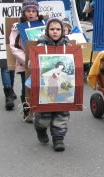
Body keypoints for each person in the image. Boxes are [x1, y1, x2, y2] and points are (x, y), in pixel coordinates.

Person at [33, 18, 71, 152]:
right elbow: (30, 65)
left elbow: (76, 66)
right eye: (52, 29)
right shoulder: (39, 47)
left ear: (63, 31)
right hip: (45, 88)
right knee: (44, 117)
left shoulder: (69, 47)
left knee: (62, 115)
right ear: (47, 31)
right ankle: (40, 128)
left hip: (62, 89)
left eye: (58, 29)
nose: (55, 32)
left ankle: (58, 139)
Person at [9, 0, 45, 122]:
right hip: (26, 63)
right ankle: (27, 110)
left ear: (37, 12)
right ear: (23, 12)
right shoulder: (17, 27)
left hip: (43, 62)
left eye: (33, 11)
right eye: (28, 10)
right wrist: (27, 59)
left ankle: (41, 109)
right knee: (27, 87)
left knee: (42, 86)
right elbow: (14, 47)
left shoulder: (45, 25)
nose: (31, 13)